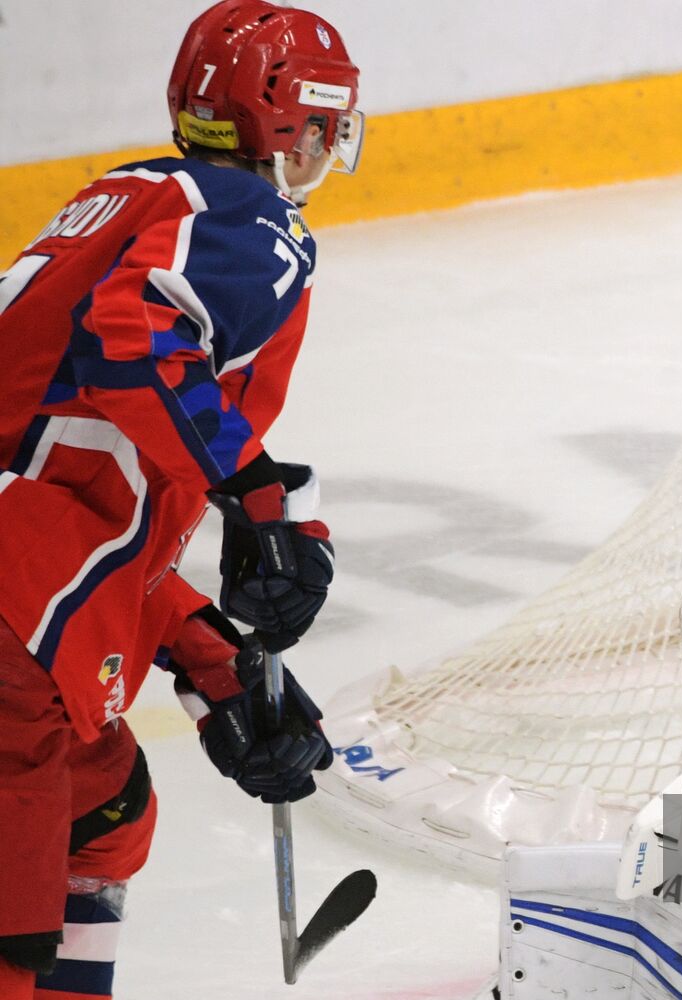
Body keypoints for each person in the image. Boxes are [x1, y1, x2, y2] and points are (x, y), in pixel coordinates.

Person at [0, 2, 363, 996]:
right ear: (291, 126)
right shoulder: (241, 219)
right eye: (323, 125)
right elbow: (136, 339)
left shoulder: (123, 200)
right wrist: (251, 493)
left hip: (20, 619)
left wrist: (213, 663)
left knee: (107, 807)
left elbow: (70, 514)